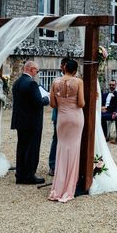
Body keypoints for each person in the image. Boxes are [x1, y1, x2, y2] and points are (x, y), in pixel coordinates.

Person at [48, 59, 84, 202]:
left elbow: (52, 104)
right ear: (75, 70)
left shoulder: (55, 82)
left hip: (62, 118)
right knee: (74, 150)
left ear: (64, 68)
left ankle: (58, 187)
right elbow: (81, 103)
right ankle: (69, 187)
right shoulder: (79, 82)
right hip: (75, 118)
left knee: (61, 149)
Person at [11, 60, 49, 185]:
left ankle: (20, 174)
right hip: (32, 122)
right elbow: (38, 102)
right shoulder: (31, 84)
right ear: (31, 69)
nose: (37, 73)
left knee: (21, 148)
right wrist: (47, 98)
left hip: (20, 121)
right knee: (32, 148)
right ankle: (29, 175)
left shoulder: (17, 82)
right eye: (36, 71)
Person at [49, 58, 69, 176]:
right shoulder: (56, 80)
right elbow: (53, 102)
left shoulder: (76, 80)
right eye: (64, 65)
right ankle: (53, 165)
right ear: (62, 66)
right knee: (56, 140)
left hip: (71, 116)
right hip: (58, 114)